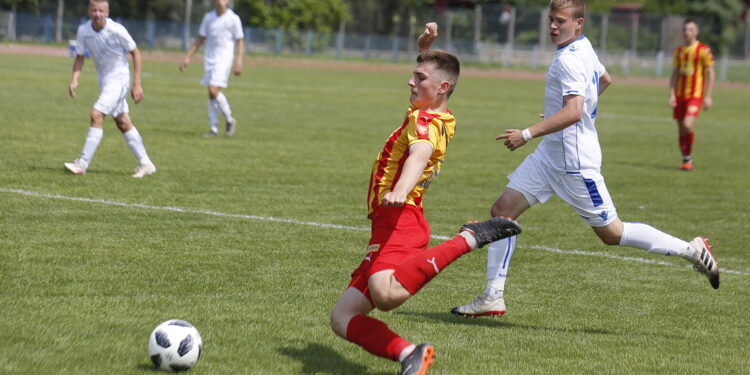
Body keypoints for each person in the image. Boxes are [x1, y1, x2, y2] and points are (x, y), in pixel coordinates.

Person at [451, 0, 720, 319]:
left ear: (578, 23)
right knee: (502, 212)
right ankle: (492, 297)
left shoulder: (569, 59)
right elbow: (605, 80)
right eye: (551, 20)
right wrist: (558, 115)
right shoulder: (582, 46)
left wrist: (526, 133)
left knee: (613, 234)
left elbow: (575, 111)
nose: (553, 26)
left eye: (560, 21)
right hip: (550, 156)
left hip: (574, 163)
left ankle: (691, 250)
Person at [329, 23, 521, 375]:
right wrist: (425, 45)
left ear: (442, 88)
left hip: (401, 219)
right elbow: (436, 69)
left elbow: (420, 152)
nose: (411, 82)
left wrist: (400, 190)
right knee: (342, 318)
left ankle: (468, 239)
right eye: (413, 76)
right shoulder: (438, 112)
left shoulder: (425, 120)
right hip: (385, 224)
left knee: (385, 294)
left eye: (419, 78)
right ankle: (410, 355)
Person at [65, 0, 156, 178]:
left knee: (96, 114)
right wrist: (74, 79)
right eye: (94, 10)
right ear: (88, 11)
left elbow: (136, 53)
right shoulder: (84, 30)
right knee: (123, 123)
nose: (97, 14)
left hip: (119, 81)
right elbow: (80, 57)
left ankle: (82, 164)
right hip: (105, 83)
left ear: (107, 12)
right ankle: (147, 164)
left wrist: (137, 84)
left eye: (101, 10)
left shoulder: (117, 30)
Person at [180, 0, 244, 137]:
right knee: (211, 93)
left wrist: (238, 60)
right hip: (210, 58)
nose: (221, 2)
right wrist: (187, 57)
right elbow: (200, 39)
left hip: (225, 59)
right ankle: (214, 128)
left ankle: (229, 119)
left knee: (213, 90)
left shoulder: (233, 19)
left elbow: (239, 40)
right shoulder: (208, 17)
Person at [668, 18, 714, 171]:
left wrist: (708, 96)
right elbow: (674, 74)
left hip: (695, 95)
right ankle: (686, 159)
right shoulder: (679, 51)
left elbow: (710, 74)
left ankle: (688, 156)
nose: (687, 32)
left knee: (688, 124)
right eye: (685, 29)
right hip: (680, 95)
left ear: (696, 31)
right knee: (681, 128)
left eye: (690, 29)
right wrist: (672, 95)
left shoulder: (703, 50)